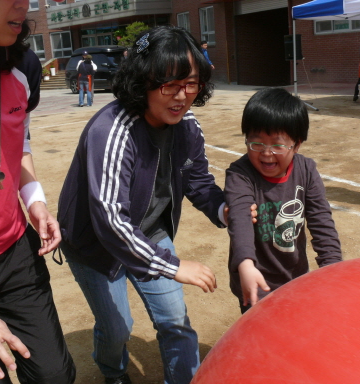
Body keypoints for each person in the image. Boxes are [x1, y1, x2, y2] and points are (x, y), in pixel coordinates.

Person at [58, 26, 226, 384]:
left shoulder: (187, 125)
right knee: (118, 329)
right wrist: (173, 266)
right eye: (170, 85)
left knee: (175, 322)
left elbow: (199, 181)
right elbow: (111, 222)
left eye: (191, 84)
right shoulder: (113, 131)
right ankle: (113, 372)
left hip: (150, 232)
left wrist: (225, 210)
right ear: (142, 81)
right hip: (96, 245)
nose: (182, 97)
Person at [0, 1, 76, 383]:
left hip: (14, 254)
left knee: (55, 375)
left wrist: (35, 202)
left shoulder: (23, 68)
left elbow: (16, 144)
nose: (21, 4)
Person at [224, 88, 343, 314]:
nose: (266, 153)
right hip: (254, 279)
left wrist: (333, 269)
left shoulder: (306, 170)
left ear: (296, 144)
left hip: (295, 277)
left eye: (278, 145)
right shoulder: (240, 174)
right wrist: (245, 265)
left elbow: (321, 221)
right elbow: (239, 217)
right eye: (256, 143)